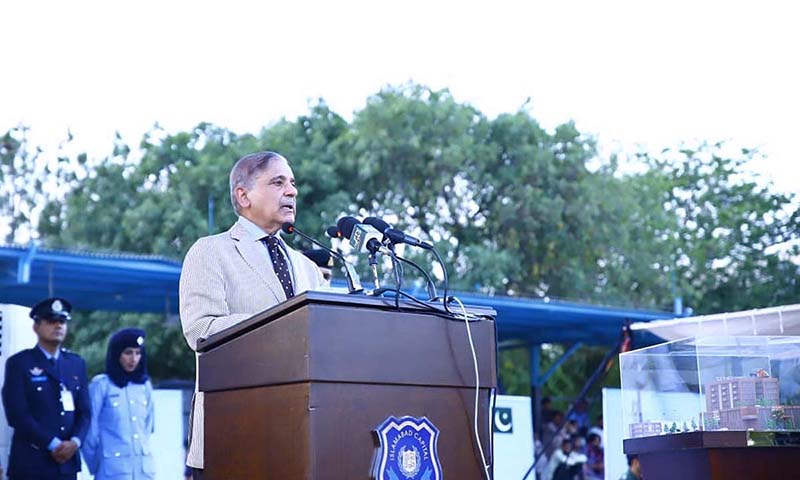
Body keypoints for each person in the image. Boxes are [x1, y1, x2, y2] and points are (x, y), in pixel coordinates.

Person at [179, 151, 325, 478]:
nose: (292, 191)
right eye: (278, 182)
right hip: (233, 434)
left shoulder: (307, 267)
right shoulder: (210, 252)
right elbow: (202, 330)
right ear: (243, 195)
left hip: (302, 438)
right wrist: (283, 326)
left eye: (292, 183)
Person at [1, 297, 91, 480]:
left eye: (62, 321)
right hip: (32, 463)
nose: (58, 326)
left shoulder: (76, 364)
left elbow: (85, 412)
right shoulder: (20, 363)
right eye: (51, 321)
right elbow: (17, 414)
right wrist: (53, 444)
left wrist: (75, 442)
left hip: (66, 465)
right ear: (36, 327)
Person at [82, 328, 155, 479]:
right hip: (113, 471)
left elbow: (147, 428)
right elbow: (90, 432)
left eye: (138, 353)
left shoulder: (144, 385)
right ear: (116, 354)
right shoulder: (102, 385)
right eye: (128, 353)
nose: (133, 359)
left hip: (143, 471)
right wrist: (98, 465)